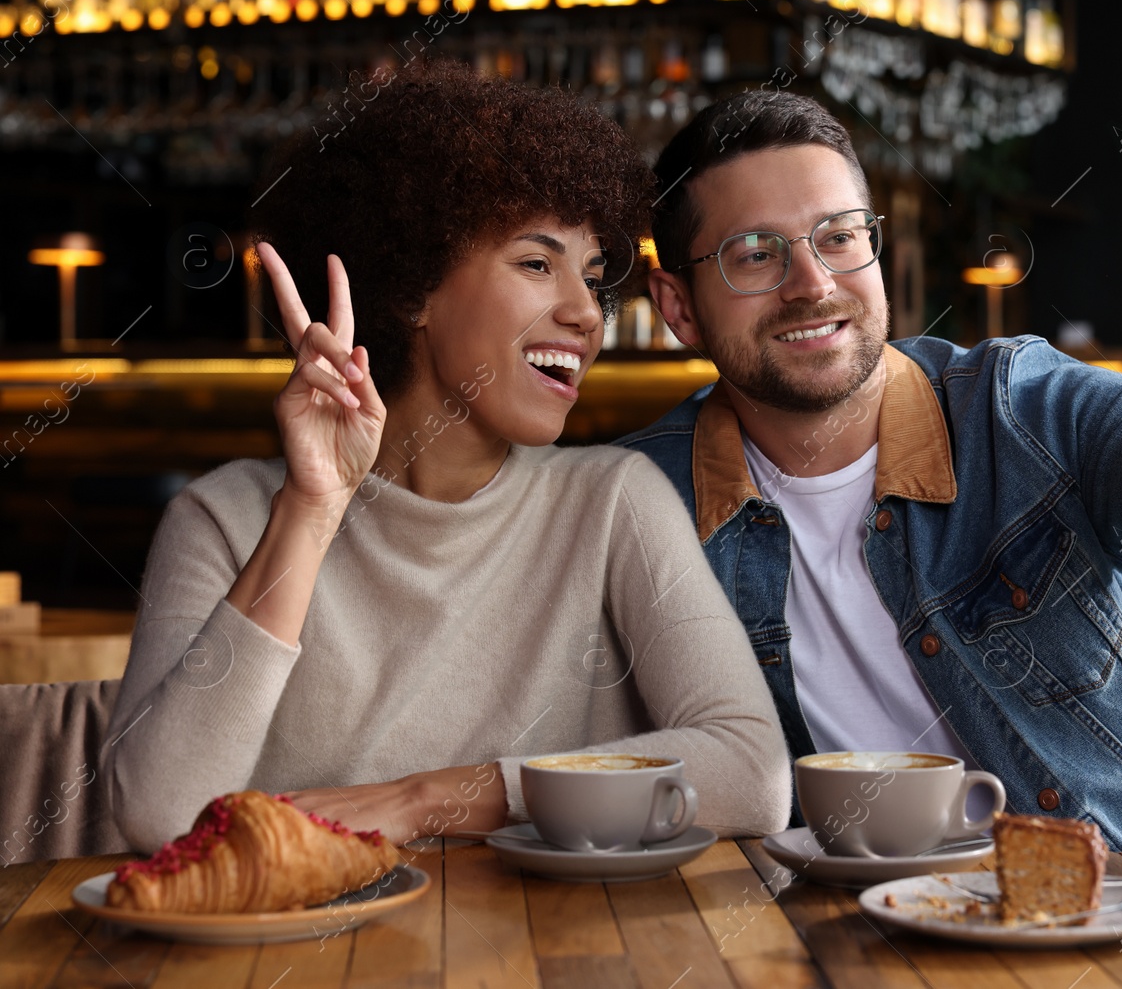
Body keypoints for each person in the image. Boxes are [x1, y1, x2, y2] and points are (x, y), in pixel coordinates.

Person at [617, 91, 1122, 876]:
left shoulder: (1026, 409)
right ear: (678, 306)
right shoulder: (641, 497)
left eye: (838, 237)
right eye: (755, 254)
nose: (813, 282)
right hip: (871, 948)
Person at [104, 62, 790, 853]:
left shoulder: (610, 502)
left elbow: (753, 773)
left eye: (593, 278)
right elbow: (158, 814)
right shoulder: (224, 520)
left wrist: (430, 797)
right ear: (411, 289)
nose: (583, 314)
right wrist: (313, 508)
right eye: (537, 264)